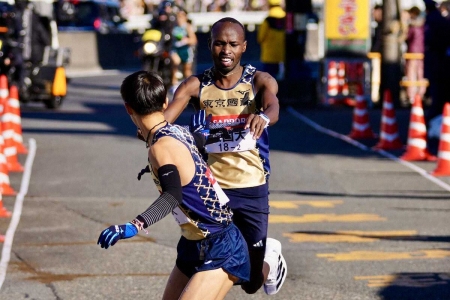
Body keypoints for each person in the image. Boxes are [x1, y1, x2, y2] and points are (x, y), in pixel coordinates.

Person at [97, 71, 250, 299]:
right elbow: (193, 149)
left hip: (221, 245)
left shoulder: (160, 147)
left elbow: (172, 196)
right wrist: (201, 135)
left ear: (128, 108)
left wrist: (134, 225)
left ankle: (268, 262)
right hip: (192, 243)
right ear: (165, 102)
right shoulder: (178, 130)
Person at [163, 17, 287, 295]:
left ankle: (271, 256)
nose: (226, 50)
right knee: (201, 260)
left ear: (243, 47)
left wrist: (264, 117)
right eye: (219, 43)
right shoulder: (195, 85)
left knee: (251, 283)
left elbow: (274, 105)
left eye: (233, 44)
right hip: (211, 191)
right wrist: (151, 128)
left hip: (251, 186)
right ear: (210, 46)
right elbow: (165, 122)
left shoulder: (258, 81)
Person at [423, 0, 450, 125]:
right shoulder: (440, 20)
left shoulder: (432, 20)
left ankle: (434, 118)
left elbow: (431, 40)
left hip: (437, 62)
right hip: (441, 62)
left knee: (437, 94)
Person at [257, 0, 285, 80]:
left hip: (268, 56)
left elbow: (260, 38)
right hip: (282, 56)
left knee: (268, 81)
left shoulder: (267, 20)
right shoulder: (286, 19)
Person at [170, 8, 197, 90]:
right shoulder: (174, 27)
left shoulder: (187, 27)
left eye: (181, 16)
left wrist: (187, 40)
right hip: (176, 49)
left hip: (186, 50)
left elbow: (194, 40)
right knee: (175, 63)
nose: (179, 18)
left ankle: (189, 85)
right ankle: (174, 83)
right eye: (178, 16)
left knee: (187, 70)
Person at [405, 6, 425, 104]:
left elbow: (407, 37)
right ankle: (421, 94)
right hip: (422, 51)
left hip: (412, 51)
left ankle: (412, 95)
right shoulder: (423, 25)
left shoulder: (412, 26)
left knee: (411, 73)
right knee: (420, 73)